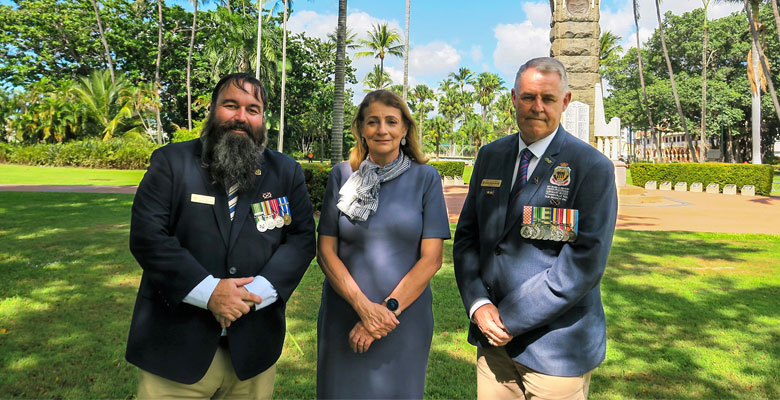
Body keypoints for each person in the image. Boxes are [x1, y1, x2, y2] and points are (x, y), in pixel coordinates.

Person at [126, 73, 316, 398]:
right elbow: (148, 236)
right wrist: (210, 292)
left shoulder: (285, 172)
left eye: (253, 109)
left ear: (263, 118)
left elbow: (300, 240)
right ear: (213, 109)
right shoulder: (172, 162)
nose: (241, 117)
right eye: (231, 105)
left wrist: (253, 295)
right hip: (175, 352)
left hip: (253, 355)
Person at [453, 57, 617, 399]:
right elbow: (468, 237)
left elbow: (583, 262)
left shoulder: (591, 167)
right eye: (528, 97)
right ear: (513, 99)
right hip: (494, 346)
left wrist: (507, 320)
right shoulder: (490, 156)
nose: (537, 107)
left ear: (565, 102)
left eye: (548, 98)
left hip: (556, 350)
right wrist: (478, 304)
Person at [316, 89, 451, 399]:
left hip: (402, 320)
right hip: (344, 315)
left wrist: (384, 313)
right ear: (362, 129)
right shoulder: (341, 176)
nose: (382, 129)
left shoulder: (426, 178)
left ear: (405, 129)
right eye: (373, 122)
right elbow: (325, 252)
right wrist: (363, 308)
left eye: (391, 121)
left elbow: (431, 259)